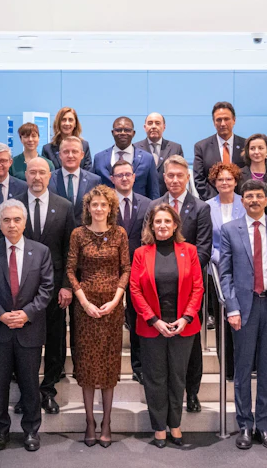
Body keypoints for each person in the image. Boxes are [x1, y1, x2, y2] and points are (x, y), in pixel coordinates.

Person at [219, 179, 267, 451]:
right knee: (242, 369)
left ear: (266, 200)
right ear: (242, 201)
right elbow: (225, 273)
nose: (254, 200)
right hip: (244, 308)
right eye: (249, 196)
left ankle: (264, 426)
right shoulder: (230, 229)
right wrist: (232, 308)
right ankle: (244, 425)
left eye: (258, 196)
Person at [0, 199, 54, 452]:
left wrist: (26, 313)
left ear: (25, 222)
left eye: (17, 219)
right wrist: (1, 315)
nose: (12, 224)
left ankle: (31, 430)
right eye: (6, 220)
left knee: (30, 384)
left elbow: (46, 288)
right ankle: (1, 432)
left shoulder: (41, 251)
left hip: (29, 329)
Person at [129, 204, 204, 448]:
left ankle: (175, 425)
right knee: (155, 378)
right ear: (151, 226)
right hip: (152, 326)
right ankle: (159, 427)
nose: (162, 225)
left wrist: (186, 318)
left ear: (175, 226)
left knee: (177, 377)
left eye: (167, 221)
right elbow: (135, 289)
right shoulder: (141, 253)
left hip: (183, 326)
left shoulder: (189, 251)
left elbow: (197, 287)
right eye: (158, 221)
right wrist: (153, 320)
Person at [66, 185, 130, 447]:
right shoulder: (78, 234)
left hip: (112, 308)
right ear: (88, 208)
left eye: (104, 204)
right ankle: (90, 422)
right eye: (95, 204)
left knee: (109, 365)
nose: (99, 208)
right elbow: (71, 270)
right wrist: (83, 301)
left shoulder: (120, 234)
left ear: (111, 207)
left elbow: (126, 269)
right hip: (86, 308)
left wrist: (116, 300)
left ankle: (107, 423)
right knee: (87, 365)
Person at [15, 157, 76, 415]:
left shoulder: (64, 206)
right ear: (25, 176)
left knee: (54, 340)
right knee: (24, 343)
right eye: (32, 172)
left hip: (54, 287)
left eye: (42, 172)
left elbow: (70, 249)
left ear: (50, 176)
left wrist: (67, 285)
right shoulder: (15, 205)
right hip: (21, 287)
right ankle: (27, 393)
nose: (37, 177)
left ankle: (48, 390)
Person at [154, 154, 212, 411]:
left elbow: (204, 248)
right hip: (159, 287)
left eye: (180, 175)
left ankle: (192, 392)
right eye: (170, 175)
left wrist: (185, 273)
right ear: (164, 177)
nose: (175, 180)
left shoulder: (200, 208)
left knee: (191, 344)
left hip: (189, 287)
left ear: (188, 177)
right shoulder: (154, 206)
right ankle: (166, 393)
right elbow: (148, 242)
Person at [111, 159, 154, 383]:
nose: (124, 178)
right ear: (112, 179)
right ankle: (110, 367)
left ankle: (139, 367)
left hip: (140, 269)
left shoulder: (148, 204)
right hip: (111, 269)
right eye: (120, 175)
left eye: (128, 174)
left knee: (138, 319)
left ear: (134, 177)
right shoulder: (105, 203)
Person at [207, 162, 245, 377]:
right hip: (217, 269)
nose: (224, 182)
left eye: (229, 179)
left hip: (244, 269)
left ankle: (244, 365)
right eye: (220, 179)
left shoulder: (245, 202)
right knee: (222, 319)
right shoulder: (207, 206)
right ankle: (227, 367)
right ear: (214, 182)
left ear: (236, 181)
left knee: (242, 318)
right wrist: (220, 258)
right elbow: (205, 240)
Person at [93, 116, 160, 199]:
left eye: (127, 130)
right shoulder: (99, 158)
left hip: (138, 206)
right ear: (112, 132)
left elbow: (153, 192)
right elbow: (93, 190)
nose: (123, 133)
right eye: (118, 130)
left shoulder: (147, 159)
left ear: (133, 133)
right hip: (107, 206)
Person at [193, 101, 246, 200]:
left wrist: (240, 199)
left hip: (241, 201)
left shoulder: (245, 145)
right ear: (214, 122)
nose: (223, 124)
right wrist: (217, 200)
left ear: (234, 120)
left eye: (226, 119)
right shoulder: (202, 147)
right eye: (219, 120)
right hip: (212, 202)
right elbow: (199, 179)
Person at [49, 136, 103, 225]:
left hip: (85, 231)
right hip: (56, 232)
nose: (70, 155)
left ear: (82, 155)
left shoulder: (94, 181)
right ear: (60, 155)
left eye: (74, 151)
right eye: (66, 152)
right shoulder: (49, 179)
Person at [133, 112, 184, 196]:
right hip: (143, 198)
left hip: (168, 198)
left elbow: (179, 175)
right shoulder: (135, 148)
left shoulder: (175, 148)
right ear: (145, 127)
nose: (153, 126)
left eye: (157, 123)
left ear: (164, 127)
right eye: (150, 123)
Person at [42, 106, 93, 172]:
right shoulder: (48, 149)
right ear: (58, 123)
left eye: (70, 120)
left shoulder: (84, 146)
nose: (67, 123)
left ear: (75, 124)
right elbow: (46, 174)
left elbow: (88, 173)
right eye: (63, 120)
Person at [240, 133, 267, 201]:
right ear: (248, 152)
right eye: (252, 148)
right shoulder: (239, 175)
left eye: (260, 148)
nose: (256, 152)